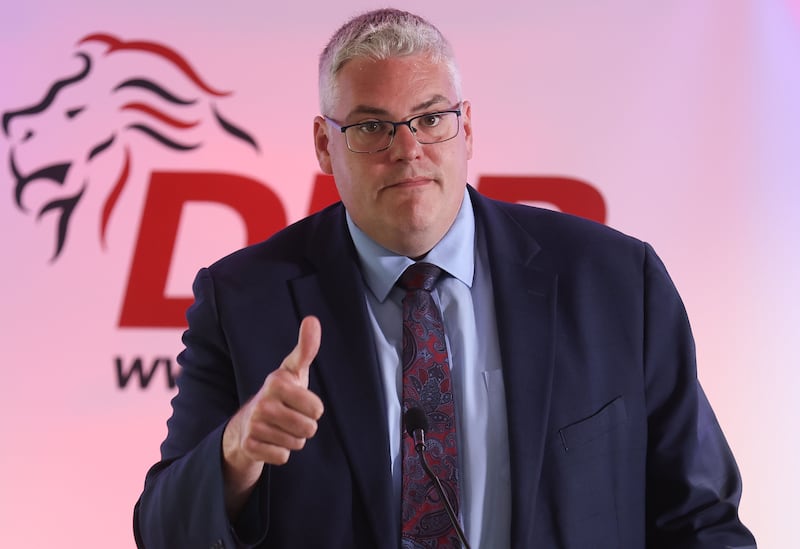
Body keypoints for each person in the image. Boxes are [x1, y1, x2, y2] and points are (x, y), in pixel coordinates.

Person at [133, 8, 756, 548]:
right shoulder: (244, 300)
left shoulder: (617, 283)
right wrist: (234, 453)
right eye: (372, 127)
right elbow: (162, 531)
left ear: (467, 127)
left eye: (430, 118)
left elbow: (701, 521)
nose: (408, 149)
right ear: (325, 147)